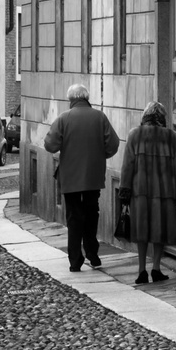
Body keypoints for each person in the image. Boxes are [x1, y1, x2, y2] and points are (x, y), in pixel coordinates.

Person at [44, 83, 120, 272]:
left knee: (74, 217)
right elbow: (113, 143)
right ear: (86, 98)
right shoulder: (99, 117)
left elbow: (50, 145)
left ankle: (75, 260)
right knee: (91, 214)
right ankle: (93, 255)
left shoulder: (64, 118)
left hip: (70, 178)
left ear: (71, 99)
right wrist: (101, 156)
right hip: (93, 176)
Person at [119, 100, 176, 284]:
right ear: (163, 117)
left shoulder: (134, 135)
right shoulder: (172, 137)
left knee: (142, 230)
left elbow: (127, 167)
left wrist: (125, 192)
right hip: (164, 193)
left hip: (139, 192)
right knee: (160, 230)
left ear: (145, 115)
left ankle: (141, 270)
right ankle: (156, 268)